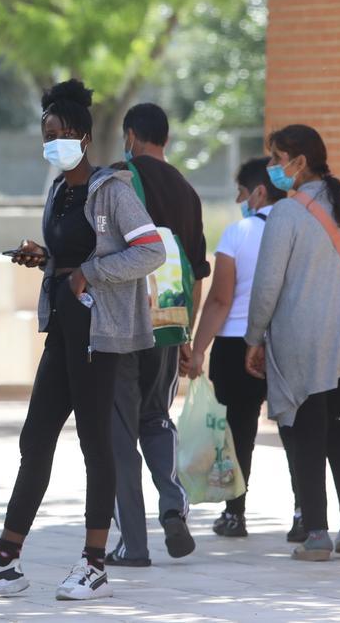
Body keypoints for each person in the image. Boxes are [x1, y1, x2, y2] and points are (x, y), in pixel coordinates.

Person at [0, 80, 165, 602]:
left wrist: (90, 274)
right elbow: (70, 256)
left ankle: (94, 563)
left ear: (83, 137)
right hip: (64, 332)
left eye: (59, 134)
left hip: (102, 335)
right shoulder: (58, 190)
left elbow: (149, 251)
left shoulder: (112, 189)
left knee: (96, 445)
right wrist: (45, 259)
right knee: (36, 440)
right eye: (46, 134)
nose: (51, 142)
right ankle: (7, 559)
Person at [245, 124, 340, 561]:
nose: (272, 168)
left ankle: (317, 535)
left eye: (276, 158)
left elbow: (268, 285)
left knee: (306, 432)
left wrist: (254, 338)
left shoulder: (286, 213)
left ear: (299, 162)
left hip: (306, 340)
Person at [105, 103, 209, 567]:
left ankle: (131, 539)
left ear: (131, 135)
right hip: (169, 322)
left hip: (123, 323)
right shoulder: (188, 191)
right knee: (157, 415)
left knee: (118, 430)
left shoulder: (117, 180)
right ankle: (172, 504)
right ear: (164, 138)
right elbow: (197, 271)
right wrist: (186, 334)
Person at [184, 157, 304, 541]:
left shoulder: (239, 232)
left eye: (240, 192)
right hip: (287, 340)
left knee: (238, 430)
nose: (238, 199)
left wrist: (198, 348)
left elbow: (221, 299)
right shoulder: (304, 229)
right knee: (296, 430)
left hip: (236, 342)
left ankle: (235, 514)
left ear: (258, 192)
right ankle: (305, 514)